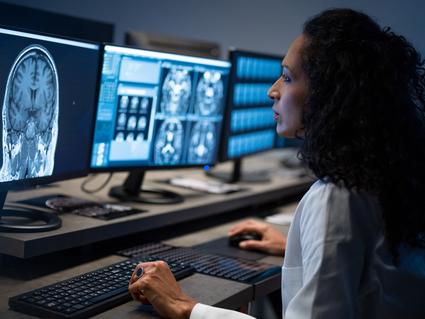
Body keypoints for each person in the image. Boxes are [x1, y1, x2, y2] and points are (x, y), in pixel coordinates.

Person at [128, 8, 425, 319]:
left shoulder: (337, 197)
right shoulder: (385, 175)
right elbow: (373, 266)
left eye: (287, 77)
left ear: (330, 93)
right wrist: (304, 250)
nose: (273, 90)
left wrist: (186, 308)